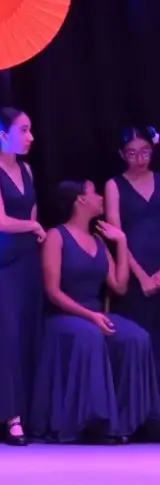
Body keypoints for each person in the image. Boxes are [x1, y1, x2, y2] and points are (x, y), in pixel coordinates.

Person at [30, 180, 160, 443]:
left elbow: (120, 286)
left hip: (95, 314)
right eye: (94, 193)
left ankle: (125, 423)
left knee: (136, 337)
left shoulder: (99, 240)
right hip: (63, 317)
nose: (101, 197)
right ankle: (92, 423)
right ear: (80, 200)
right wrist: (90, 316)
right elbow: (53, 292)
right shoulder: (57, 236)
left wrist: (121, 242)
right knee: (90, 335)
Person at [0, 108, 46, 445]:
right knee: (6, 336)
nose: (30, 137)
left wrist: (33, 227)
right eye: (24, 130)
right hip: (1, 263)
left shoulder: (28, 169)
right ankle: (9, 417)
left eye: (31, 130)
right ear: (4, 135)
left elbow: (32, 210)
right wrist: (32, 226)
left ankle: (27, 413)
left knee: (26, 332)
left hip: (27, 261)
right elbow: (1, 221)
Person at [104, 126, 160, 374]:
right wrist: (143, 276)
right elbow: (117, 236)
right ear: (121, 154)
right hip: (133, 270)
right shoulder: (114, 186)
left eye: (145, 152)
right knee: (140, 338)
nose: (139, 159)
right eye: (132, 153)